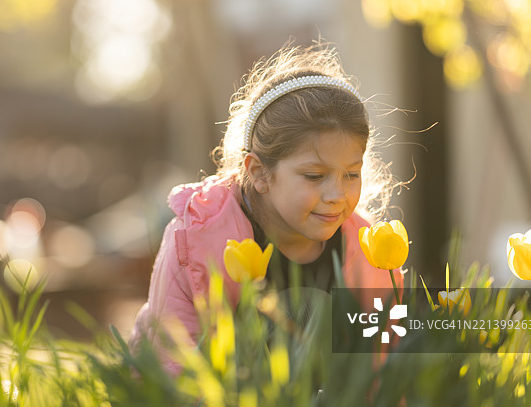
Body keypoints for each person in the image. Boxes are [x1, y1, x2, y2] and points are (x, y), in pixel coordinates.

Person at [129, 42, 401, 375]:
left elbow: (384, 364)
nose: (337, 195)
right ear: (259, 172)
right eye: (314, 175)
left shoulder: (363, 249)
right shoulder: (196, 243)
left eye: (351, 174)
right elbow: (172, 367)